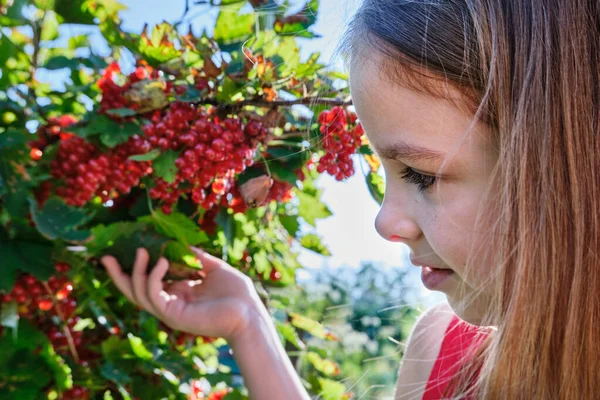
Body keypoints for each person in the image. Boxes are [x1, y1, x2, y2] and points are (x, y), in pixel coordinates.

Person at [101, 0, 600, 398]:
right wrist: (247, 323)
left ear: (563, 167)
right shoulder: (440, 353)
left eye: (421, 175)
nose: (385, 222)